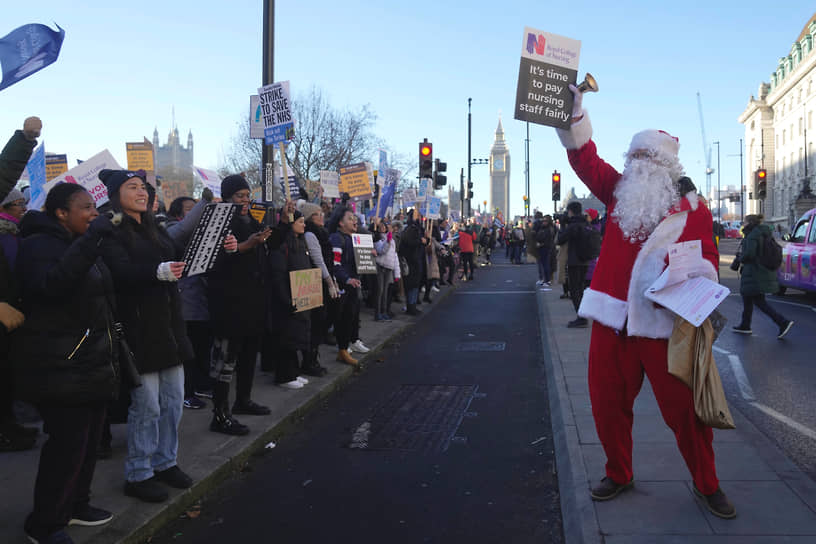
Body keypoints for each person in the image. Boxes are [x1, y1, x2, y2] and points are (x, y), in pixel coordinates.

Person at [555, 84, 735, 518]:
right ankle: (619, 471)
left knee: (684, 414)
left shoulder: (695, 210)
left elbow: (709, 260)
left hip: (662, 325)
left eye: (646, 159)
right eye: (633, 158)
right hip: (612, 319)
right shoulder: (616, 191)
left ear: (667, 166)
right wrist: (574, 113)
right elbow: (584, 158)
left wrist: (694, 278)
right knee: (605, 404)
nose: (637, 166)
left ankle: (707, 483)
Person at [13, 184, 118, 543]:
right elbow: (51, 287)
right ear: (61, 213)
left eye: (94, 207)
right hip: (59, 363)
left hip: (92, 358)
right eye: (85, 207)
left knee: (87, 444)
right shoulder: (39, 245)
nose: (93, 213)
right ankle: (44, 524)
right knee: (66, 447)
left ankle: (75, 505)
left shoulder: (84, 242)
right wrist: (91, 243)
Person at [95, 169, 194, 503]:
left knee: (173, 401)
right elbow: (117, 273)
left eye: (143, 187)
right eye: (132, 187)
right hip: (138, 329)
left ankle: (166, 462)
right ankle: (138, 473)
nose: (141, 192)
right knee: (147, 405)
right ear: (114, 193)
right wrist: (156, 272)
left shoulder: (156, 228)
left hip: (169, 327)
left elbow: (178, 255)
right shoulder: (110, 229)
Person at [208, 175, 271, 435]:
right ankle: (220, 414)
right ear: (227, 197)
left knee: (248, 353)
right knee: (227, 358)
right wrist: (249, 244)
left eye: (247, 195)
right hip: (229, 302)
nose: (245, 201)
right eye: (239, 196)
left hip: (252, 300)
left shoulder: (250, 219)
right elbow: (218, 257)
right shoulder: (218, 220)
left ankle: (243, 400)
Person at [732, 214, 794, 338]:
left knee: (759, 301)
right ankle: (745, 325)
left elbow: (750, 254)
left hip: (754, 271)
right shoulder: (763, 233)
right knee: (747, 297)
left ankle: (782, 322)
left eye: (744, 222)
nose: (742, 224)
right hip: (760, 270)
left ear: (749, 223)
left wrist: (740, 258)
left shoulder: (752, 236)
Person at [330, 208, 364, 365]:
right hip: (342, 286)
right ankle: (342, 350)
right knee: (341, 318)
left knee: (350, 317)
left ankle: (344, 349)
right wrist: (347, 279)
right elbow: (335, 264)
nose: (354, 221)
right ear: (340, 223)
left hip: (352, 285)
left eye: (355, 218)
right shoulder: (337, 239)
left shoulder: (355, 239)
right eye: (350, 218)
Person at [556, 201, 591, 327]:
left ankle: (581, 318)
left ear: (570, 211)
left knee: (574, 290)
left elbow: (560, 240)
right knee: (581, 289)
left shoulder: (573, 225)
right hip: (585, 260)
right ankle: (583, 315)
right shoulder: (586, 223)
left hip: (574, 261)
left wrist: (563, 225)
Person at [534, 214, 556, 288]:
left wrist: (541, 243)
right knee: (542, 264)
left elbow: (549, 240)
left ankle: (547, 280)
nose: (543, 222)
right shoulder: (542, 228)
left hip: (546, 248)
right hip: (542, 248)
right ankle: (544, 279)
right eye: (543, 220)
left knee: (546, 264)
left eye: (545, 220)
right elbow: (537, 236)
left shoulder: (549, 229)